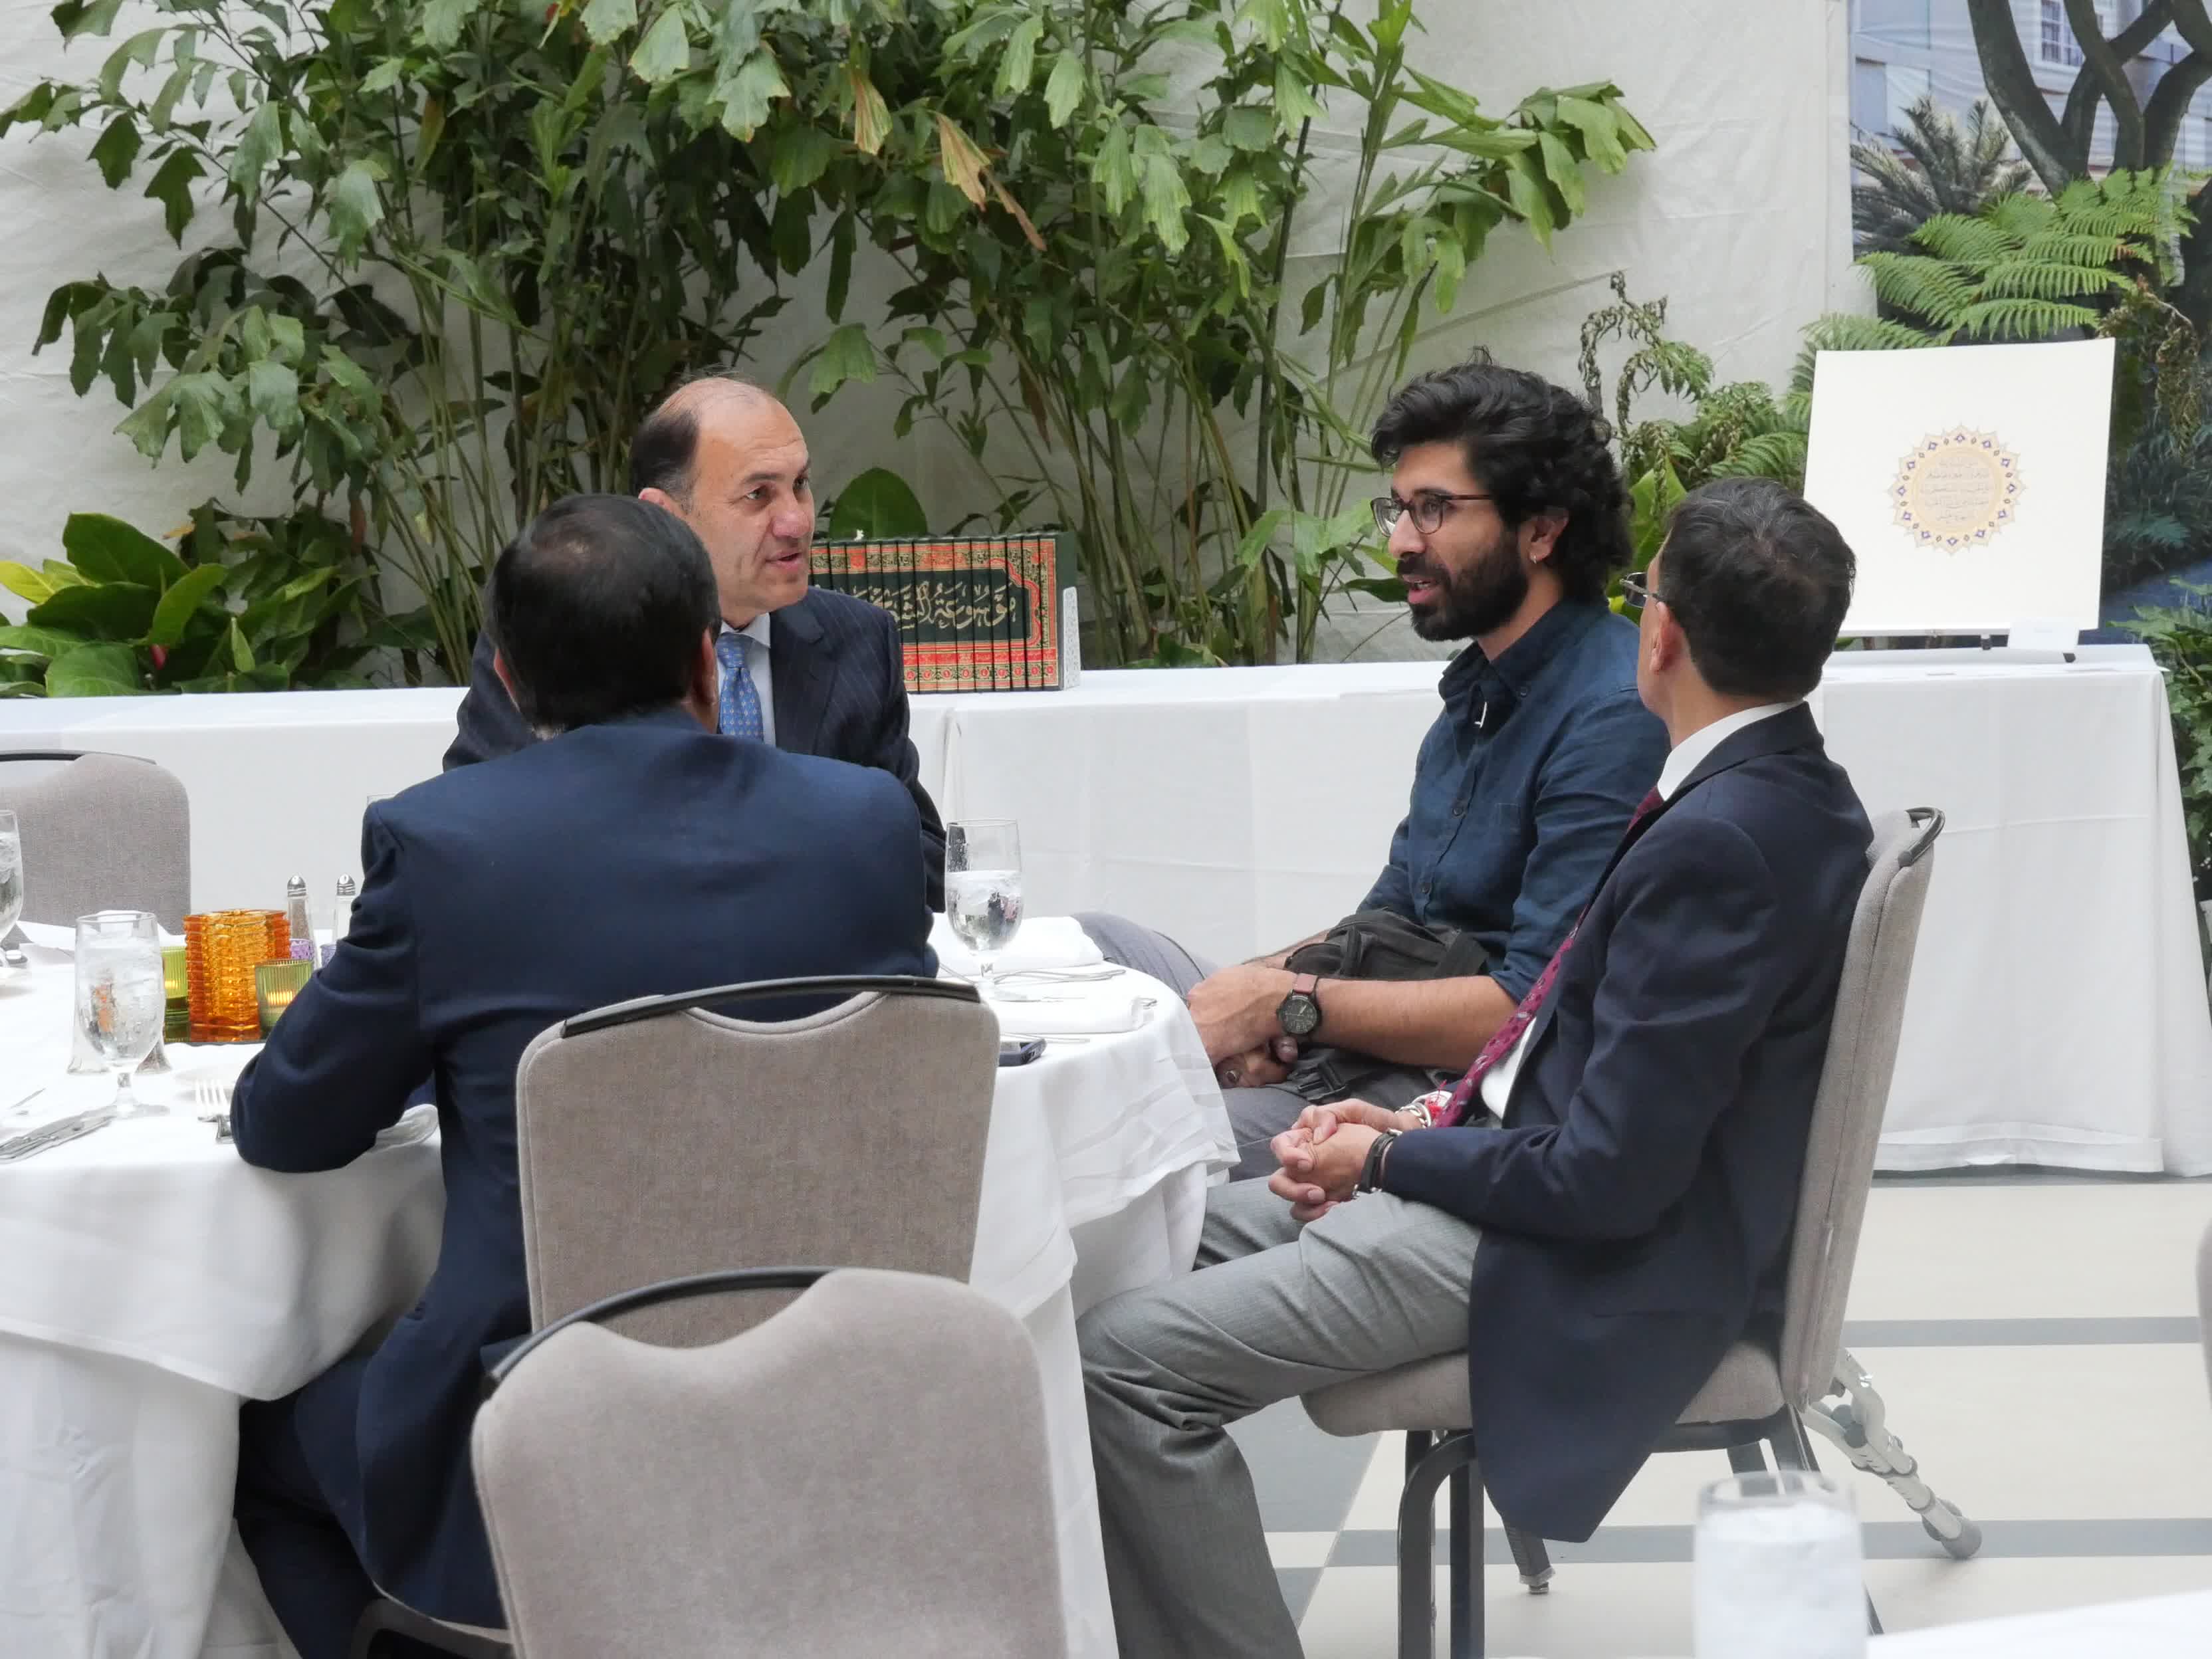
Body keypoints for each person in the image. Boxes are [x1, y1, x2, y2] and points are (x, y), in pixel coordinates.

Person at [1078, 477, 1873, 1658]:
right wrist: (1411, 1126)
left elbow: (1607, 1180)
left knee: (1117, 1368)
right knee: (1115, 1242)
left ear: (1660, 635)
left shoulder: (1722, 843)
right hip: (1518, 1183)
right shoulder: (1779, 790)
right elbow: (1578, 1068)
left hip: (1567, 1257)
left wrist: (1391, 1163)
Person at [229, 494, 937, 1658]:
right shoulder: (864, 823)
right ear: (707, 660)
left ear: (507, 681)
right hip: (835, 1414)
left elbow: (287, 1126)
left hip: (533, 1427)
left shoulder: (446, 845)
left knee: (246, 1450)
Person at [1082, 357, 1668, 1176]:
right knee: (1094, 943)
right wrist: (1259, 998)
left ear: (1541, 530)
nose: (1399, 542)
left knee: (1119, 1138)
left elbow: (1527, 1012)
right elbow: (1388, 920)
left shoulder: (1609, 713)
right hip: (1350, 1043)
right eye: (1398, 508)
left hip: (1433, 1094)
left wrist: (1285, 1007)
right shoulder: (1478, 688)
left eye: (1434, 509)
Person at [443, 374, 948, 907]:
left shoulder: (858, 639)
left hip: (811, 946)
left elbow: (925, 865)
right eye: (758, 495)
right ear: (664, 515)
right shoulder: (561, 633)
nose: (797, 521)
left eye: (800, 484)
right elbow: (476, 834)